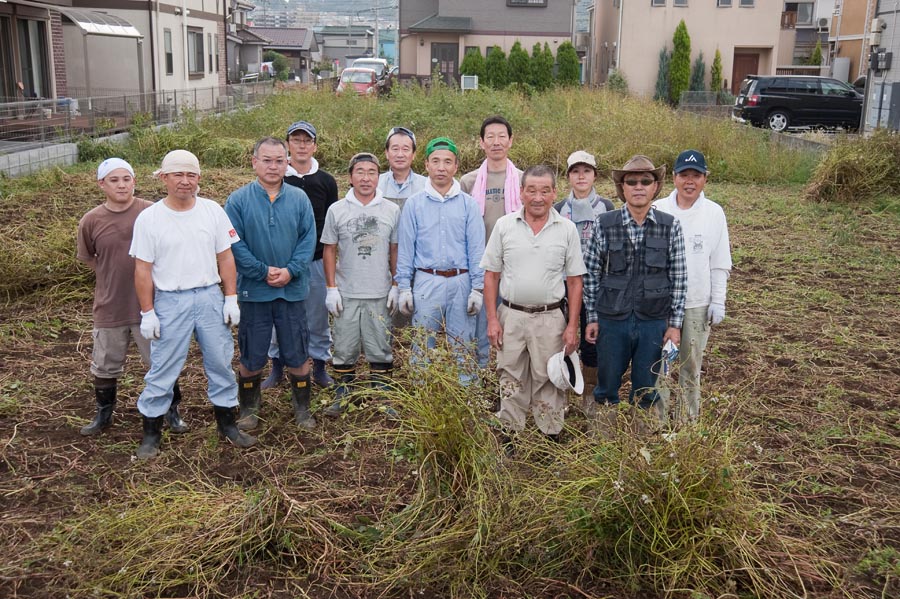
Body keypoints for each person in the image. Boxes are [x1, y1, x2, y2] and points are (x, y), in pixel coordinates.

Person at [130, 150, 255, 459]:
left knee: (220, 360)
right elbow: (142, 270)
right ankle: (151, 433)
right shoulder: (150, 219)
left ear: (199, 178)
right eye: (178, 175)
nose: (185, 181)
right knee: (163, 367)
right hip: (171, 300)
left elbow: (225, 257)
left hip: (209, 296)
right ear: (163, 178)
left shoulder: (212, 211)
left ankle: (227, 424)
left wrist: (230, 297)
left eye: (191, 175)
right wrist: (148, 312)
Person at [76, 158, 187, 437]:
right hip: (110, 304)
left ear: (134, 181)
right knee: (105, 362)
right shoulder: (91, 220)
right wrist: (112, 273)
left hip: (150, 304)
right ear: (102, 184)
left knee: (160, 361)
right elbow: (89, 258)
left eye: (126, 179)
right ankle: (104, 413)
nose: (121, 185)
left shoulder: (151, 212)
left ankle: (171, 410)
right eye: (114, 180)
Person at [482, 165, 585, 440]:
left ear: (554, 193)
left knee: (549, 376)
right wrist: (492, 319)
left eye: (544, 191)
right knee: (510, 374)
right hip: (511, 315)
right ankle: (510, 434)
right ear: (521, 193)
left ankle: (548, 436)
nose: (537, 197)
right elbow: (491, 276)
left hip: (550, 318)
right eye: (531, 190)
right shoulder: (505, 226)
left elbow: (575, 282)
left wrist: (572, 325)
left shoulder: (566, 229)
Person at [224, 137, 318, 431]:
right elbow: (233, 243)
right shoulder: (238, 200)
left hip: (291, 291)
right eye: (267, 160)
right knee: (252, 353)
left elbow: (308, 240)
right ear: (254, 162)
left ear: (287, 162)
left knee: (298, 351)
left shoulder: (299, 199)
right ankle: (249, 408)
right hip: (255, 291)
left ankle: (302, 408)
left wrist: (291, 271)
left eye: (280, 160)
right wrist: (261, 271)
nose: (273, 166)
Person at [583, 155, 687, 419]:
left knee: (646, 389)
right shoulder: (604, 224)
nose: (638, 186)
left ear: (655, 186)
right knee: (606, 387)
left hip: (653, 321)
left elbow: (679, 277)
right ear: (622, 188)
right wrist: (593, 317)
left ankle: (639, 444)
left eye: (645, 181)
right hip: (612, 319)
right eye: (631, 181)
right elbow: (592, 273)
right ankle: (603, 441)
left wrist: (674, 325)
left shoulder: (670, 226)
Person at [395, 137, 485, 383]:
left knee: (463, 345)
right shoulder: (414, 205)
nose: (441, 167)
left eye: (448, 162)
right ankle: (421, 395)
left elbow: (477, 249)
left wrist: (478, 289)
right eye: (436, 161)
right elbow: (406, 248)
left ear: (456, 167)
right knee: (422, 344)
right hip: (427, 280)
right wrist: (404, 287)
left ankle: (468, 396)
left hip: (461, 280)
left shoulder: (468, 205)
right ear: (426, 165)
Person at [653, 150, 732, 424]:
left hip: (697, 303)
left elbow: (720, 261)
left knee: (690, 366)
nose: (690, 181)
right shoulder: (659, 209)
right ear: (674, 178)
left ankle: (686, 422)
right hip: (661, 303)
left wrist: (718, 301)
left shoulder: (713, 213)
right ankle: (657, 422)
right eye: (684, 175)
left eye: (696, 176)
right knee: (659, 366)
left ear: (705, 179)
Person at [261, 120, 339, 390]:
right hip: (280, 261)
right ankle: (277, 365)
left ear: (315, 146)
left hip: (315, 260)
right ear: (288, 145)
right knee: (277, 314)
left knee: (317, 315)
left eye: (307, 141)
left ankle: (318, 364)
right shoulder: (278, 178)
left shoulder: (326, 181)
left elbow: (330, 223)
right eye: (296, 140)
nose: (302, 145)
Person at [321, 153, 400, 416]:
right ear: (350, 176)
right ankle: (344, 394)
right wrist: (331, 287)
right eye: (360, 172)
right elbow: (330, 249)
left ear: (379, 177)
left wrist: (396, 283)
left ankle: (382, 395)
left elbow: (394, 250)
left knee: (380, 344)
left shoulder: (391, 210)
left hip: (379, 290)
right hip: (347, 291)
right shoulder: (337, 210)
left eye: (372, 172)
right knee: (344, 345)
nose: (366, 178)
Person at [460, 116, 523, 368]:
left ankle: (506, 371)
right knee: (480, 323)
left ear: (510, 140)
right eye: (490, 137)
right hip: (479, 265)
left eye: (501, 136)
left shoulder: (522, 179)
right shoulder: (469, 181)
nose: (496, 142)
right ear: (481, 142)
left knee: (508, 321)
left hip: (513, 265)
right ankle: (480, 371)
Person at [553, 150, 615, 407]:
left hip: (595, 286)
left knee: (592, 340)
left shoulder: (606, 208)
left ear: (594, 175)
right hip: (563, 284)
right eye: (575, 172)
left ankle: (590, 395)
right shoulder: (558, 209)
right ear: (568, 176)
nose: (581, 176)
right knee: (563, 338)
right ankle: (563, 393)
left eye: (586, 171)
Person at [377, 126, 427, 330]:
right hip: (380, 259)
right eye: (394, 148)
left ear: (414, 154)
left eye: (405, 149)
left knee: (412, 318)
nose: (400, 154)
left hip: (417, 259)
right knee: (382, 316)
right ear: (386, 153)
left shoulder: (426, 185)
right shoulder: (375, 183)